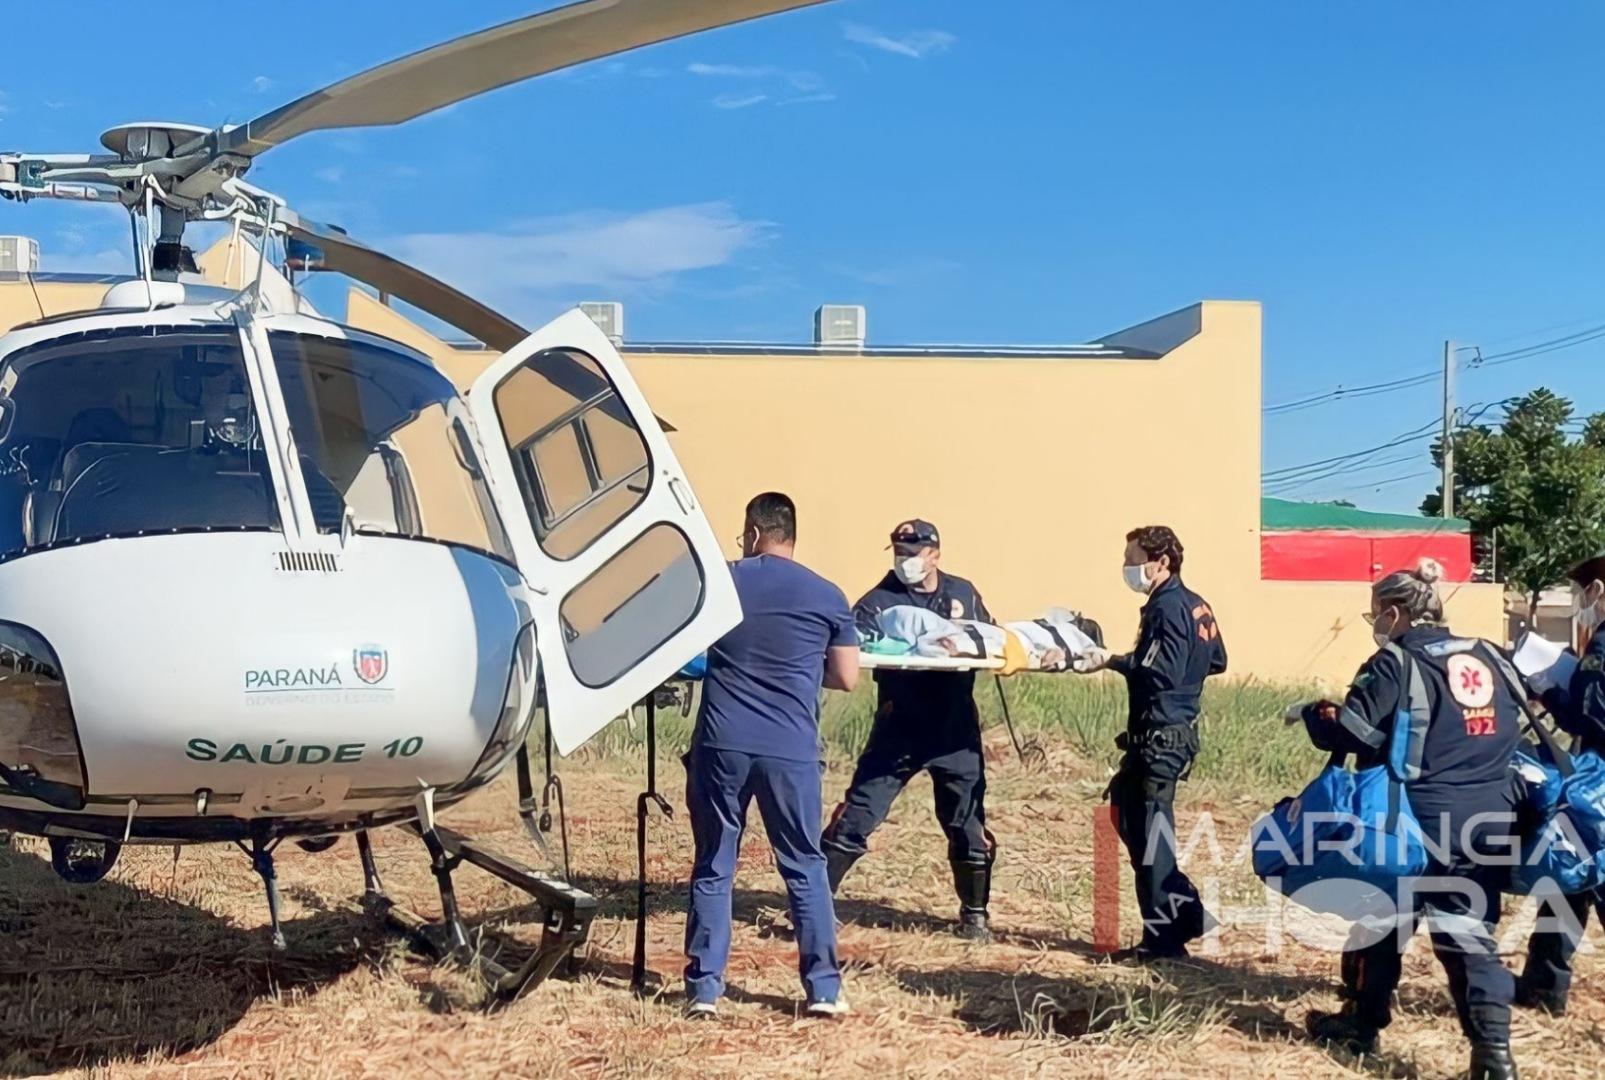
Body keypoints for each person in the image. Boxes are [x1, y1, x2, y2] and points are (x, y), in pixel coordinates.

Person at [1300, 559, 1520, 1080]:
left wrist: (1315, 717)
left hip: (1418, 816)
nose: (1375, 623)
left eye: (1375, 614)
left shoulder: (1393, 662)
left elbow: (1353, 733)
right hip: (1494, 813)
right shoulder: (1490, 655)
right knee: (1467, 932)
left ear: (1395, 612)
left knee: (1382, 915)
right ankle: (1493, 1053)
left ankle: (1364, 1023)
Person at [682, 492, 860, 1019]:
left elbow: (686, 648)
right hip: (790, 750)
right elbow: (847, 677)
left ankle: (704, 991)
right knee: (804, 864)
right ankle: (823, 989)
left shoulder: (723, 582)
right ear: (792, 535)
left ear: (754, 533)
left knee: (715, 865)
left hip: (722, 744)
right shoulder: (827, 594)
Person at [822, 519, 998, 941]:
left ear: (934, 554)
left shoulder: (963, 593)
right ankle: (814, 906)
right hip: (899, 724)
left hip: (955, 729)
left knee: (967, 822)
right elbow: (851, 644)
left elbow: (989, 637)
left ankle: (975, 914)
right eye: (899, 553)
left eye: (913, 553)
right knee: (859, 813)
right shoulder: (878, 601)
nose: (905, 561)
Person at [1071, 525, 1226, 963]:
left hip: (1163, 737)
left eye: (1134, 559)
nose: (1128, 568)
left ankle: (1164, 942)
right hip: (1159, 735)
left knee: (1152, 839)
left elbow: (1161, 671)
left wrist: (1112, 661)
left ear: (1162, 562)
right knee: (1126, 809)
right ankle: (1188, 913)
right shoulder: (1196, 605)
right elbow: (1216, 659)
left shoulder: (1168, 607)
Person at [1514, 551, 1605, 1016]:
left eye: (1583, 592)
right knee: (1570, 877)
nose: (1582, 601)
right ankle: (1543, 987)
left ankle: (1544, 986)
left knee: (1586, 871)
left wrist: (1546, 686)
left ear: (1598, 591)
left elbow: (1593, 715)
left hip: (1600, 781)